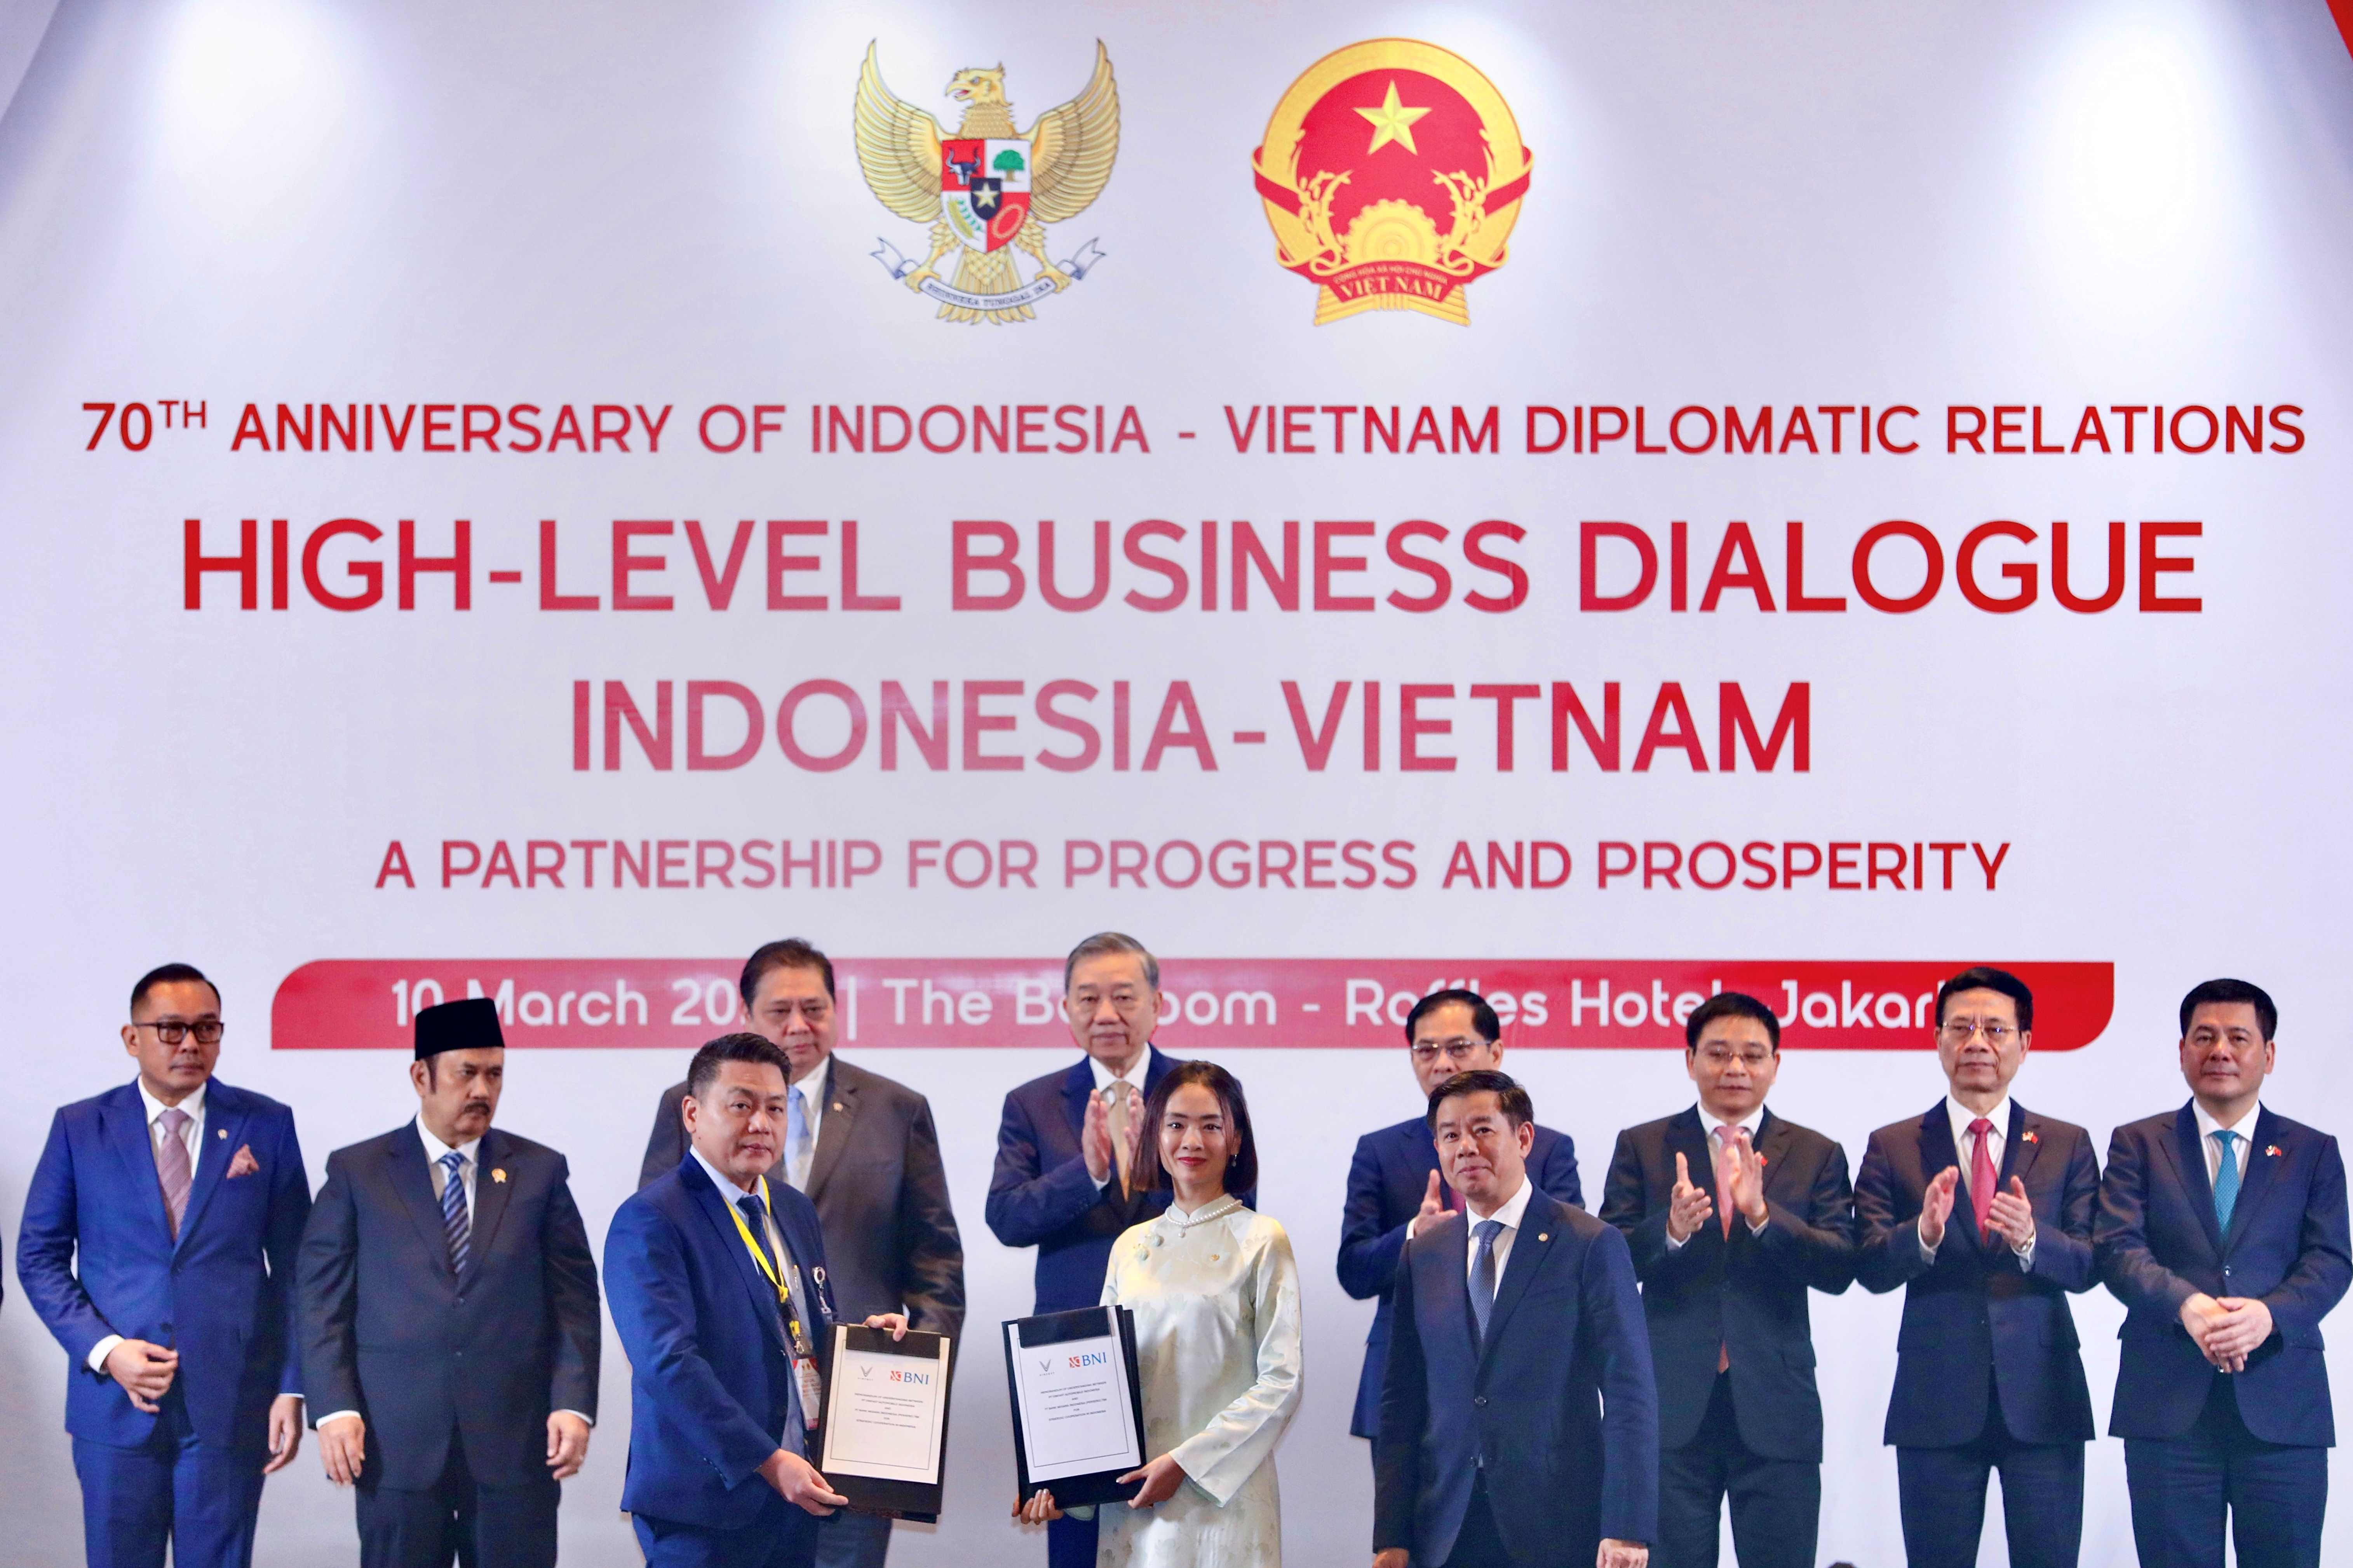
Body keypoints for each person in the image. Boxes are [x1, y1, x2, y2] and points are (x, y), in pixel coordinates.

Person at [637, 939, 965, 1568]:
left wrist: (912, 1369)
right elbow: (664, 1272)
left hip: (855, 1432)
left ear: (837, 1011)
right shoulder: (687, 1109)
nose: (798, 1025)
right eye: (779, 1010)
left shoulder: (898, 1109)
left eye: (814, 1009)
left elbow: (937, 1263)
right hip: (723, 1447)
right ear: (746, 1014)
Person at [16, 962, 312, 1568]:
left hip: (231, 1403)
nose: (191, 1044)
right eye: (172, 1028)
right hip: (114, 1403)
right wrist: (106, 1350)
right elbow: (39, 1257)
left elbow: (297, 1268)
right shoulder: (80, 1128)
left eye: (207, 1028)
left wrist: (291, 1384)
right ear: (133, 1038)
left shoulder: (266, 1124)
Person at [296, 997, 602, 1568]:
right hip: (394, 1443)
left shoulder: (539, 1171)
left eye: (495, 1074)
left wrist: (573, 1403)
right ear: (422, 1077)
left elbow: (575, 1300)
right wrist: (335, 1407)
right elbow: (320, 1301)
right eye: (467, 1073)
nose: (483, 1089)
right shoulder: (359, 1172)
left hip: (515, 1442)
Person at [606, 1033, 911, 1568]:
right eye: (741, 1105)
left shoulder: (792, 1208)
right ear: (693, 1114)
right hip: (704, 1508)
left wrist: (864, 1344)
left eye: (775, 1107)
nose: (761, 1124)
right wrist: (767, 1461)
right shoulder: (652, 1218)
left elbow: (799, 1329)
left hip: (794, 1500)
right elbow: (667, 1363)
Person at [1853, 965, 2101, 1568]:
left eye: (1995, 1029)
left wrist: (2031, 1240)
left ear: (2025, 1043)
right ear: (1938, 1039)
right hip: (1935, 1398)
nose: (1977, 1042)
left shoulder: (2066, 1142)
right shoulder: (1894, 1143)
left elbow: (2092, 1263)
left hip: (2043, 1398)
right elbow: (1867, 1265)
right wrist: (1922, 1235)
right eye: (1960, 1027)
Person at [2097, 978, 2350, 1568]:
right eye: (2204, 1036)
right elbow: (2117, 1247)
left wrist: (2268, 1315)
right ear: (2182, 1050)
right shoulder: (2138, 1143)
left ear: (2269, 1053)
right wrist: (2188, 1305)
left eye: (2239, 1037)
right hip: (2166, 1405)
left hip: (2282, 1406)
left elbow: (2331, 1258)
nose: (2220, 1051)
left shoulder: (2312, 1150)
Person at [1599, 990, 1856, 1568]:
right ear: (1690, 1059)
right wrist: (1670, 1230)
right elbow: (1610, 1262)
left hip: (1777, 1406)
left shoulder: (1816, 1152)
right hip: (1670, 1409)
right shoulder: (1643, 1145)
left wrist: (1765, 1217)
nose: (1735, 1067)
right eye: (1717, 1053)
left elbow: (1840, 1267)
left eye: (1752, 1055)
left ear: (1775, 1064)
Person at [1017, 1061, 1303, 1566]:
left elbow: (1283, 1381)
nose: (1192, 1140)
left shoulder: (1262, 1239)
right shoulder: (1130, 1247)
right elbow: (1100, 1382)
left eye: (1211, 1125)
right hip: (1133, 1501)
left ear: (1236, 1140)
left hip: (1224, 1500)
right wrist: (1063, 1485)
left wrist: (1186, 1463)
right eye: (1176, 1124)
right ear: (1154, 1135)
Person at [1374, 1069, 1657, 1568]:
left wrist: (1626, 1527)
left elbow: (1629, 1392)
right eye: (1450, 1135)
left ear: (1524, 1137)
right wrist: (1390, 1536)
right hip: (1445, 1526)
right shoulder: (1423, 1254)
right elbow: (1403, 1400)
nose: (1466, 1146)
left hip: (1557, 1523)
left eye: (1483, 1129)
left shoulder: (1588, 1243)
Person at [989, 933, 1186, 1568]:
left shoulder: (1199, 1092)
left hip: (1180, 1350)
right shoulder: (1032, 1103)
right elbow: (1007, 1217)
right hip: (1073, 1367)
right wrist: (1089, 1174)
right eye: (1089, 998)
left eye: (1124, 997)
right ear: (1066, 1009)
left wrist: (1162, 1168)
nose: (1106, 1014)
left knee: (1180, 1538)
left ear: (1157, 1004)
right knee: (1078, 1544)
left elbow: (1236, 1212)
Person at [1338, 988, 1581, 1450]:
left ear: (1496, 1051)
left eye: (1458, 1047)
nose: (1442, 1063)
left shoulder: (1546, 1147)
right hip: (1409, 1386)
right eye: (1426, 1049)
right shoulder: (1380, 1150)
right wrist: (1415, 1236)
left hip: (1525, 1384)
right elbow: (1353, 1270)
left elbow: (1569, 1260)